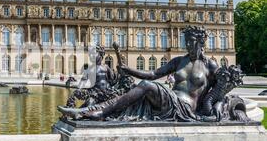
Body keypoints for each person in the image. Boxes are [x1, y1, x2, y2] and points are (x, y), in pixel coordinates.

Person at [58, 26, 218, 121]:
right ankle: (92, 111)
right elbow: (153, 73)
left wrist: (215, 106)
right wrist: (129, 70)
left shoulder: (210, 65)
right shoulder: (178, 61)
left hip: (185, 108)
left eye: (190, 41)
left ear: (200, 42)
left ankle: (98, 111)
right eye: (186, 41)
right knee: (134, 89)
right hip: (169, 102)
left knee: (146, 86)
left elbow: (220, 90)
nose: (187, 44)